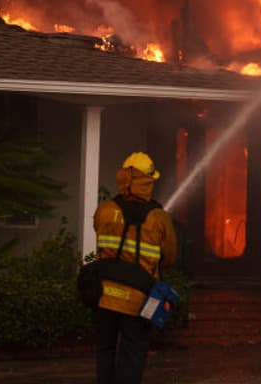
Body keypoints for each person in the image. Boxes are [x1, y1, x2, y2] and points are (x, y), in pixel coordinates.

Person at [92, 151, 177, 384]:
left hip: (104, 297)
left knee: (105, 350)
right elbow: (168, 257)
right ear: (148, 181)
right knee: (132, 354)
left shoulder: (105, 209)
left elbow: (99, 235)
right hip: (138, 301)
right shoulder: (159, 218)